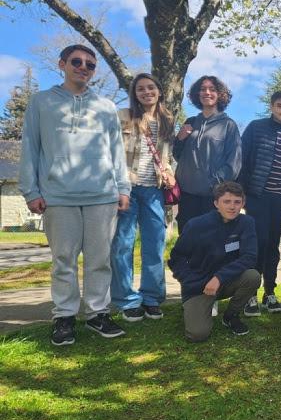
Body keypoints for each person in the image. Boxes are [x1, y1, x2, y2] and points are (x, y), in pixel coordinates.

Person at [19, 44, 131, 346]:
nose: (83, 67)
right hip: (57, 195)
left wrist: (123, 188)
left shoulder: (106, 107)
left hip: (102, 196)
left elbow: (116, 152)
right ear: (62, 64)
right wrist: (30, 190)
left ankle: (97, 314)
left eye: (90, 65)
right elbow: (30, 147)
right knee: (63, 260)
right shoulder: (41, 102)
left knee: (99, 260)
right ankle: (64, 317)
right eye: (77, 62)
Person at [110, 73, 176, 322]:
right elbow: (111, 152)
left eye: (151, 87)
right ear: (134, 93)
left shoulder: (167, 119)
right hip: (127, 187)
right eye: (140, 89)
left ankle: (151, 298)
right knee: (123, 245)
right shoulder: (122, 117)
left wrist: (169, 172)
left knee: (155, 245)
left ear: (159, 90)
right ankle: (127, 299)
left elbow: (165, 156)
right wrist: (118, 185)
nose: (146, 92)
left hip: (154, 191)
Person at [168, 181, 260, 342]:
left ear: (243, 204)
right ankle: (198, 307)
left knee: (253, 276)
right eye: (227, 201)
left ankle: (230, 316)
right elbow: (177, 258)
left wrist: (219, 277)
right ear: (216, 203)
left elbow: (249, 257)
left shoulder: (247, 223)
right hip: (200, 285)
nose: (232, 207)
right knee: (197, 334)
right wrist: (190, 281)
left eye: (237, 202)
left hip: (225, 281)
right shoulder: (196, 225)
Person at [238, 90, 281, 315]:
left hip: (279, 201)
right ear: (272, 106)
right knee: (258, 243)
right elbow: (242, 159)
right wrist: (241, 192)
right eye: (280, 105)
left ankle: (270, 292)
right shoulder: (256, 128)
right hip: (257, 197)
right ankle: (250, 294)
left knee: (273, 246)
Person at [173, 75, 242, 232]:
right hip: (187, 195)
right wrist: (180, 140)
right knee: (187, 241)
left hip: (213, 197)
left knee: (211, 243)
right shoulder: (190, 122)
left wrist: (215, 183)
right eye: (202, 89)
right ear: (198, 94)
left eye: (212, 89)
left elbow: (234, 163)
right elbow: (178, 156)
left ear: (220, 94)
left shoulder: (228, 125)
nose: (207, 92)